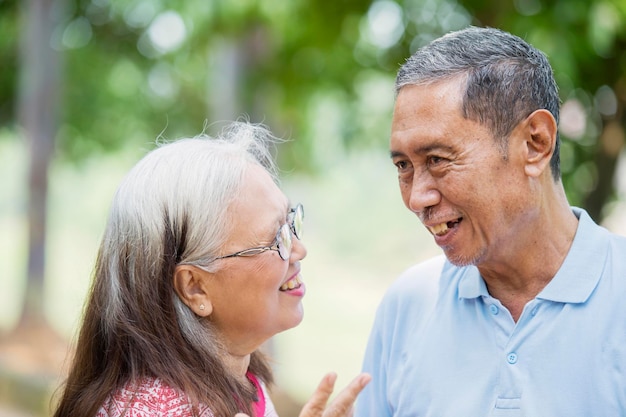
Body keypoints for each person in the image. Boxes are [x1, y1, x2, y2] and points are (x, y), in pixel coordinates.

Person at [356, 26, 626, 416]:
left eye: (437, 160)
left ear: (535, 143)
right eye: (403, 166)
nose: (417, 198)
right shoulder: (408, 305)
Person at [52, 121, 370, 417]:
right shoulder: (160, 410)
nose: (300, 250)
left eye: (291, 222)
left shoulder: (233, 381)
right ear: (195, 287)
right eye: (276, 239)